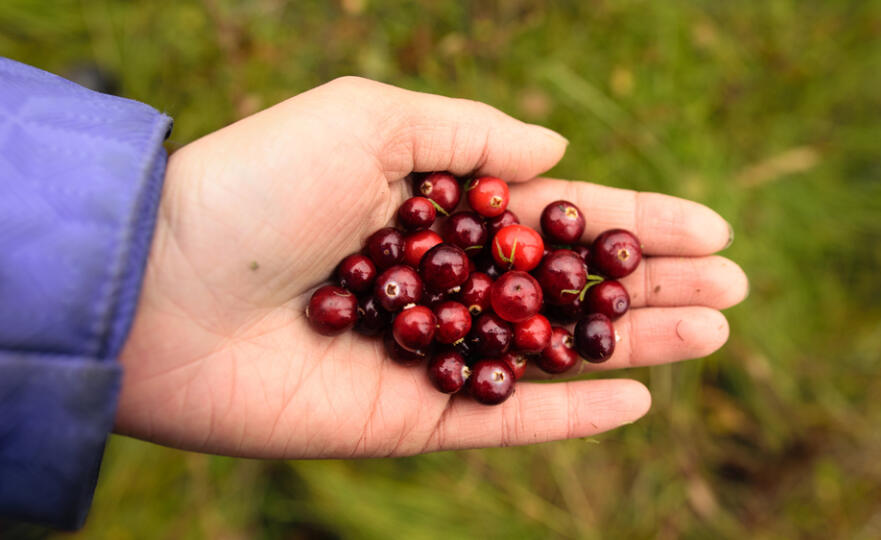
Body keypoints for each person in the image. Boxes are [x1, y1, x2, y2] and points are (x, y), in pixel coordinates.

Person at [0, 57, 748, 529]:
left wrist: (159, 255)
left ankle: (70, 144)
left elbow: (476, 299)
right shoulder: (444, 282)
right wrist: (164, 251)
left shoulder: (484, 289)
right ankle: (74, 142)